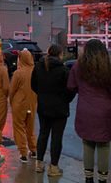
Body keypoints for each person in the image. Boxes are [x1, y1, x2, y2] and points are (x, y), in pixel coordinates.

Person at [67, 39, 111, 183]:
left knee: (87, 143)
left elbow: (71, 86)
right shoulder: (108, 67)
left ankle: (88, 178)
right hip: (105, 111)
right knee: (104, 144)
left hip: (85, 110)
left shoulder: (78, 66)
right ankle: (103, 178)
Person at [31, 44, 75, 176]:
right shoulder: (63, 70)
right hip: (59, 109)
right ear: (60, 54)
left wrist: (42, 95)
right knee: (57, 137)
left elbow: (33, 85)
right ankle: (53, 167)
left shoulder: (39, 67)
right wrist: (65, 100)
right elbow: (70, 89)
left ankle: (39, 163)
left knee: (43, 134)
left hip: (43, 107)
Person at [9, 49, 37, 163]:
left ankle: (23, 153)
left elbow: (12, 90)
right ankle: (34, 150)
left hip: (19, 104)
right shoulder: (35, 71)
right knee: (30, 128)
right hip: (32, 103)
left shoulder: (18, 73)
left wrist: (11, 102)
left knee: (19, 128)